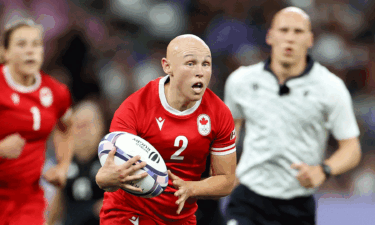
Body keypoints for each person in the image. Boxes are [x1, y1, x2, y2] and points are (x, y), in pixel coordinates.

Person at [223, 7, 362, 225]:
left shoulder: (330, 87)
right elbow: (228, 133)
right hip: (248, 199)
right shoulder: (241, 81)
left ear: (310, 39)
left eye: (298, 32)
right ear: (270, 36)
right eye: (283, 30)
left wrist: (324, 170)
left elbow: (352, 149)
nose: (289, 38)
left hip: (297, 205)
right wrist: (224, 172)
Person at [95, 34, 237, 225]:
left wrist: (191, 188)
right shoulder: (135, 107)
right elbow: (111, 172)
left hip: (179, 217)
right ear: (167, 66)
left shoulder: (219, 114)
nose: (200, 71)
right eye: (190, 63)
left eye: (206, 64)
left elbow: (226, 180)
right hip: (128, 213)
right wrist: (105, 178)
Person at [0, 19, 74, 225]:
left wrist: (63, 166)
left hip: (27, 202)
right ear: (5, 52)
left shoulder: (56, 92)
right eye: (22, 45)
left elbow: (66, 128)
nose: (30, 51)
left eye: (36, 45)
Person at [47, 99, 105, 225]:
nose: (83, 132)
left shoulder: (112, 160)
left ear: (100, 127)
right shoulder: (63, 163)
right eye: (79, 126)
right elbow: (55, 210)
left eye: (87, 125)